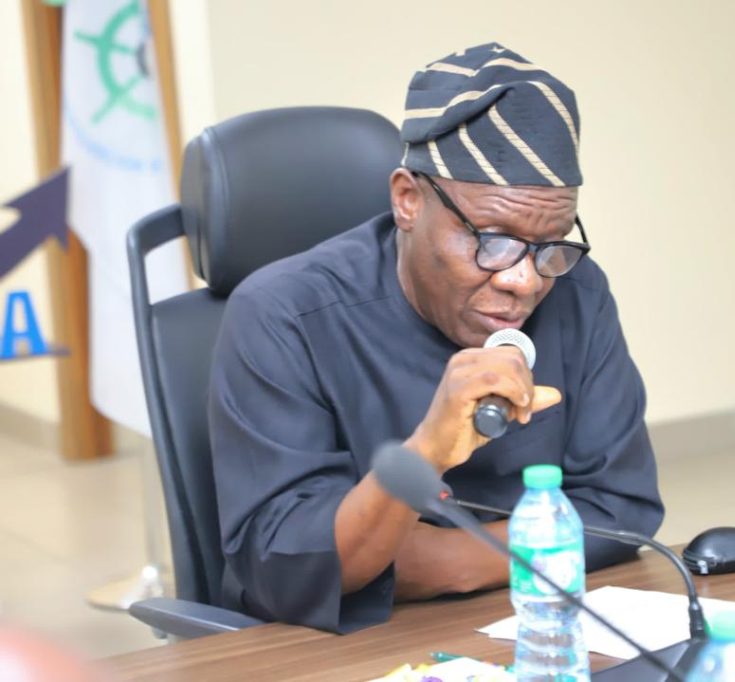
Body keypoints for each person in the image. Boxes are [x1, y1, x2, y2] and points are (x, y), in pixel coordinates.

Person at [209, 42, 664, 633]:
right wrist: (427, 450)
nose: (524, 280)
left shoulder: (576, 289)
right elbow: (289, 569)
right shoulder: (283, 315)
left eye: (550, 242)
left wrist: (449, 562)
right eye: (493, 240)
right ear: (408, 200)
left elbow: (622, 510)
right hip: (342, 646)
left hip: (523, 619)